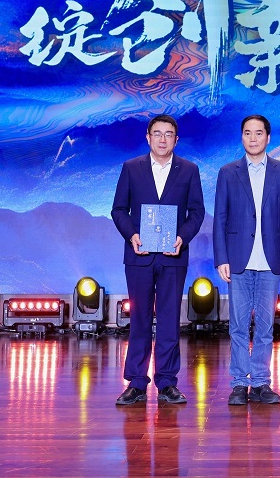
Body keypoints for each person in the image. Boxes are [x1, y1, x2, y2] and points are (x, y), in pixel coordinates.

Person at [111, 114, 205, 406]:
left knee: (169, 319)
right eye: (157, 134)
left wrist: (182, 238)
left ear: (176, 140)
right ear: (148, 137)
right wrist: (132, 235)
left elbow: (197, 212)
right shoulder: (131, 168)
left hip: (173, 256)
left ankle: (167, 382)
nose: (163, 139)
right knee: (139, 318)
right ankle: (136, 382)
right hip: (139, 255)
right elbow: (118, 210)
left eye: (168, 134)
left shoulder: (189, 170)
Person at [213, 115, 280, 405]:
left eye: (258, 133)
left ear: (268, 137)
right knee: (238, 326)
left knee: (265, 327)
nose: (253, 138)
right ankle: (239, 383)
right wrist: (221, 257)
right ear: (242, 137)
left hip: (271, 259)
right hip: (238, 259)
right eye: (248, 133)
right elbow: (220, 218)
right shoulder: (228, 172)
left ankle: (261, 382)